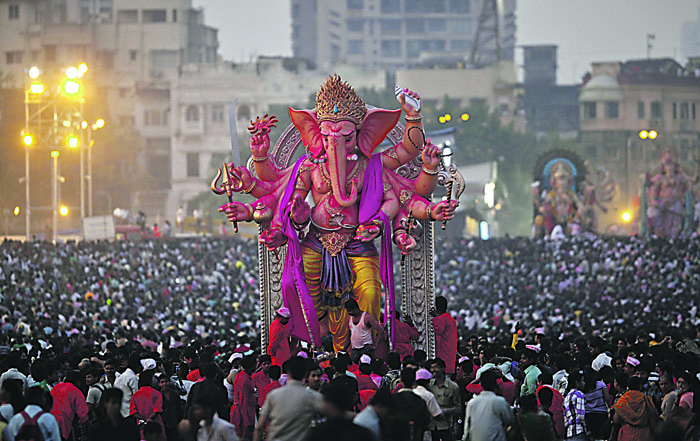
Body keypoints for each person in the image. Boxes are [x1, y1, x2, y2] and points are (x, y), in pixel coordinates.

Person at [254, 357, 323, 441]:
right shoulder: (314, 397)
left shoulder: (274, 395)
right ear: (305, 374)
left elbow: (259, 427)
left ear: (288, 373)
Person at [462, 369, 513, 441]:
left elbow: (467, 428)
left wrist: (481, 378)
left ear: (481, 384)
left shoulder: (472, 403)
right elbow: (509, 421)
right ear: (496, 384)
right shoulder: (500, 401)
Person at [610, 376, 659, 441]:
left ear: (628, 386)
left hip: (626, 435)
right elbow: (652, 416)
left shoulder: (622, 401)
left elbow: (616, 420)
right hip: (644, 435)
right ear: (640, 386)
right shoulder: (646, 399)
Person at [50, 371, 89, 441]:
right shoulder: (76, 391)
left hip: (51, 421)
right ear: (78, 382)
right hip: (66, 424)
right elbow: (83, 414)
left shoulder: (55, 388)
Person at [428, 358, 461, 441]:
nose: (433, 370)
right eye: (432, 367)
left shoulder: (453, 387)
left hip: (445, 425)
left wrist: (446, 411)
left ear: (443, 369)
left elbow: (458, 408)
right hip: (431, 425)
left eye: (436, 367)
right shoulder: (429, 385)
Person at [230, 355, 256, 441]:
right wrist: (247, 421)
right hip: (242, 415)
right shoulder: (244, 379)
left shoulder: (242, 376)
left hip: (243, 413)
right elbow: (243, 401)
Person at [431, 297, 457, 376]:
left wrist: (435, 317)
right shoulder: (451, 319)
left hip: (444, 351)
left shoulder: (443, 319)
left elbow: (439, 330)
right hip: (450, 351)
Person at [563, 371, 587, 441]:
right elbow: (581, 416)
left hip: (569, 433)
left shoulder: (567, 397)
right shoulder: (579, 394)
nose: (584, 383)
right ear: (577, 382)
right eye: (582, 381)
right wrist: (587, 431)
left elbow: (565, 418)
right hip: (579, 431)